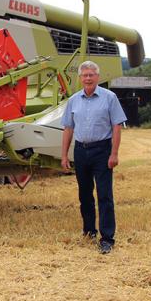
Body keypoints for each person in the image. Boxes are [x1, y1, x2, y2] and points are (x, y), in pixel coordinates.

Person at [60, 60, 127, 254]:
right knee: (85, 194)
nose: (88, 78)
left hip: (102, 151)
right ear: (80, 78)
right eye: (85, 75)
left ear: (98, 77)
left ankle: (107, 238)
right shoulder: (73, 100)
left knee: (104, 195)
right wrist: (64, 155)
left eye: (91, 75)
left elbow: (117, 126)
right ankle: (89, 231)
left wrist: (114, 153)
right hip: (81, 150)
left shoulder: (109, 97)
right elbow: (68, 128)